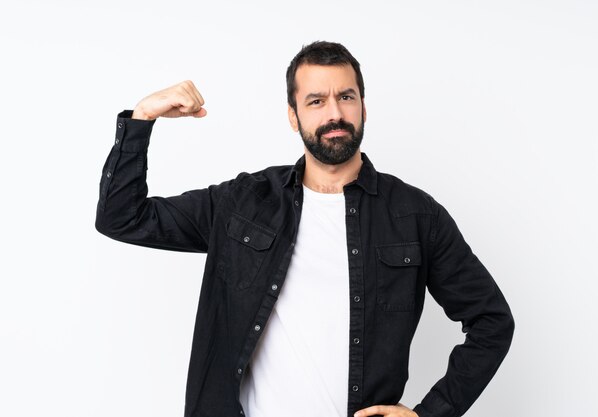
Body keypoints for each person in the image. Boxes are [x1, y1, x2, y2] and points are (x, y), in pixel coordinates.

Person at [95, 41, 514, 417]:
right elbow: (122, 217)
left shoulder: (415, 216)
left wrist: (430, 414)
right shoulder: (243, 203)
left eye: (346, 97)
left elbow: (492, 321)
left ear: (363, 108)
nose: (334, 113)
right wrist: (142, 117)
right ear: (293, 117)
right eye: (316, 101)